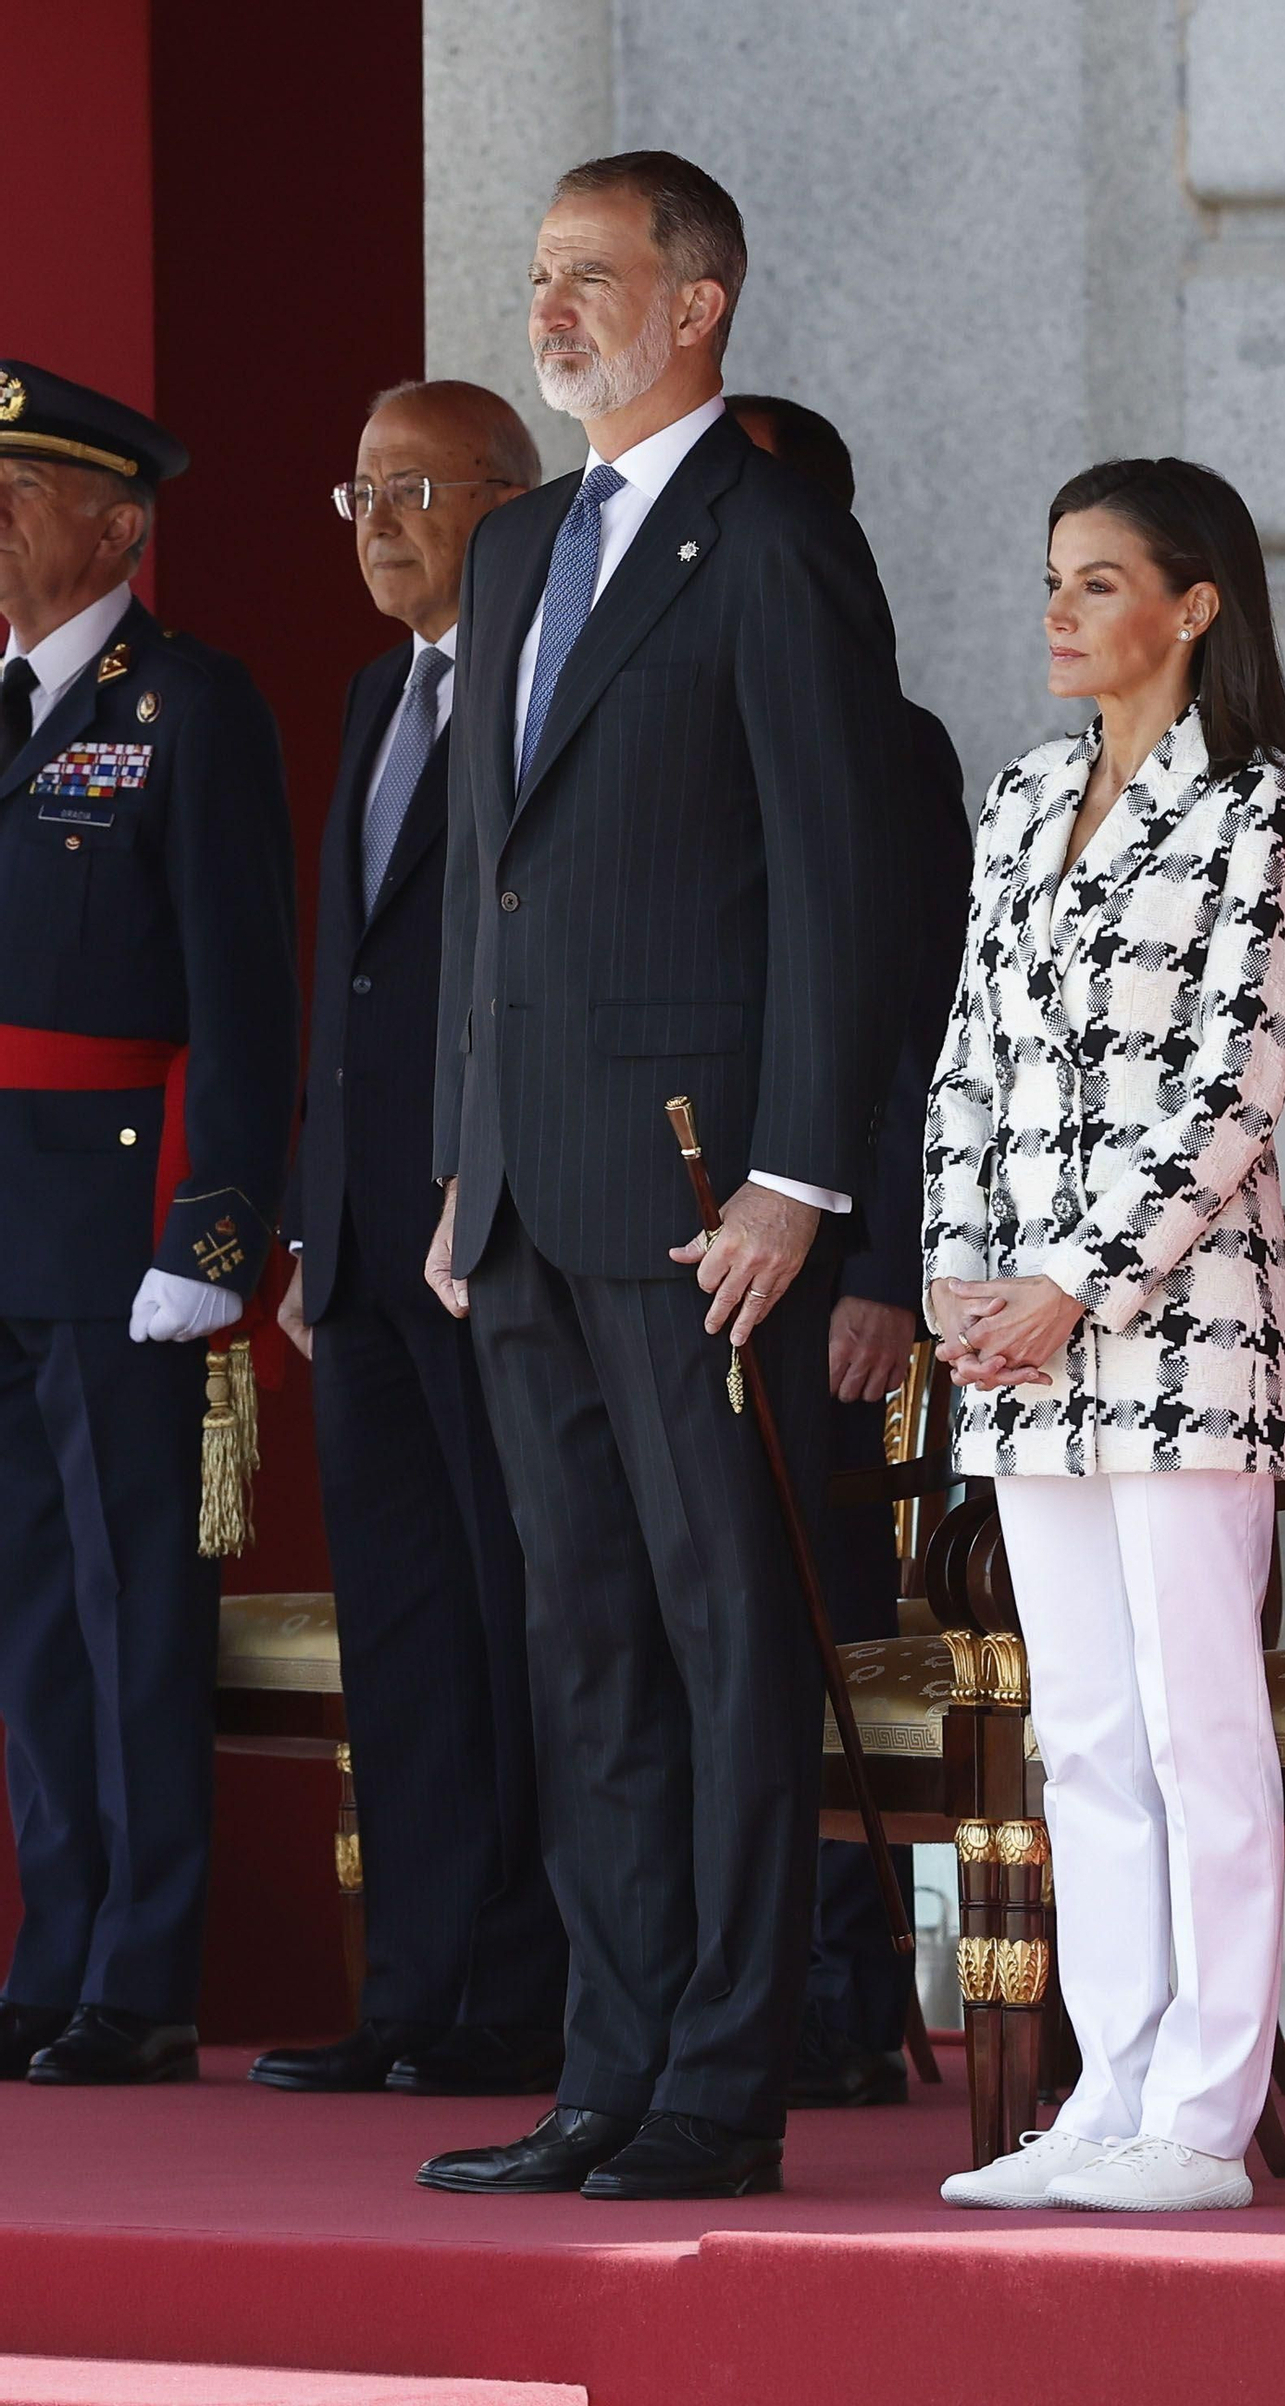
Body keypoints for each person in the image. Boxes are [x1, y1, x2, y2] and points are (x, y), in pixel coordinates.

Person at [414, 151, 907, 2204]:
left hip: (709, 1203)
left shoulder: (775, 539)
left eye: (587, 277)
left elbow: (838, 881)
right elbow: (481, 887)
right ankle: (604, 2070)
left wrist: (801, 1181)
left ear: (694, 300)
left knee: (721, 1642)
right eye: (535, 278)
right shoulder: (518, 546)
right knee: (583, 1646)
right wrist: (460, 1163)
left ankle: (721, 2079)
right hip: (526, 1199)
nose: (545, 311)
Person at [926, 456, 1285, 2212]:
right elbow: (965, 1063)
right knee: (1077, 1726)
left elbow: (1235, 1090)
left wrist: (1076, 1278)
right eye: (1052, 576)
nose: (1061, 609)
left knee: (1198, 1727)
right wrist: (958, 1271)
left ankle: (1204, 2114)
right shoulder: (1018, 799)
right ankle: (1104, 2088)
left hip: (1181, 1330)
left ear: (1195, 604)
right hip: (1016, 1342)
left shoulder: (1265, 805)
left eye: (1100, 581)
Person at [251, 381, 570, 2099]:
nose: (374, 522)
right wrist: (314, 1219)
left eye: (412, 489)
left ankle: (523, 1989)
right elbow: (356, 985)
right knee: (404, 1622)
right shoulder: (385, 690)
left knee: (518, 1613)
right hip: (365, 1244)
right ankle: (420, 1990)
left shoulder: (542, 688)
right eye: (355, 489)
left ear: (509, 506)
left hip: (492, 1227)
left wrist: (472, 1171)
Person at [0, 362, 298, 2084]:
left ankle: (142, 1968)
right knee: (32, 1610)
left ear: (116, 521)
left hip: (120, 1225)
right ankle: (55, 1945)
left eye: (20, 485)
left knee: (133, 1609)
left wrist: (210, 1237)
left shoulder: (186, 703)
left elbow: (239, 999)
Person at [727, 393, 971, 2109]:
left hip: (827, 1265)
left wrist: (886, 1256)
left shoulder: (894, 742)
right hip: (660, 1238)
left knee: (820, 1612)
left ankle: (841, 1981)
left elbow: (911, 1031)